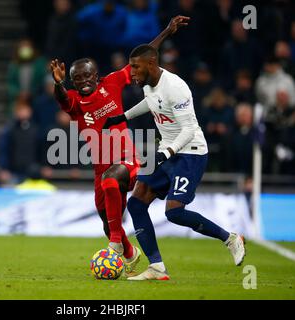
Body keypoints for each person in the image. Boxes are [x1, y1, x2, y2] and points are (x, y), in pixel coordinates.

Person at [50, 16, 190, 275]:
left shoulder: (112, 82)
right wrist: (58, 83)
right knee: (107, 221)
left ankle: (115, 243)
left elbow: (142, 58)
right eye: (76, 79)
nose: (82, 81)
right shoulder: (73, 102)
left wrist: (166, 32)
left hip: (128, 159)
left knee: (112, 181)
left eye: (86, 75)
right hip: (100, 168)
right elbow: (61, 98)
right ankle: (127, 251)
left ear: (96, 74)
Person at [103, 44, 246, 280]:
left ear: (151, 64)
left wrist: (166, 153)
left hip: (190, 153)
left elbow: (189, 130)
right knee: (136, 204)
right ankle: (156, 267)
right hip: (167, 151)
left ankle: (230, 239)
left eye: (136, 68)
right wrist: (122, 117)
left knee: (175, 213)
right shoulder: (148, 84)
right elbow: (151, 103)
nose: (133, 74)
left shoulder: (176, 87)